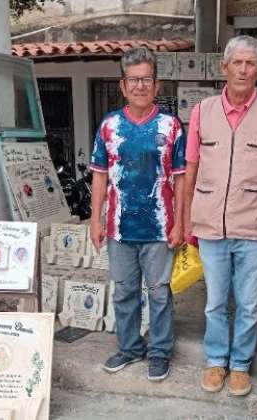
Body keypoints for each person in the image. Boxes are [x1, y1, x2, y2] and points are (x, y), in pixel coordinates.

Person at [183, 35, 257, 396]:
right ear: (224, 67)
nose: (244, 70)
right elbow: (191, 168)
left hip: (254, 226)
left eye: (251, 64)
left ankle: (241, 364)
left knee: (248, 303)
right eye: (237, 63)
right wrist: (186, 221)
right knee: (215, 302)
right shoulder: (202, 112)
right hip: (210, 226)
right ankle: (216, 361)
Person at [90, 47, 185, 382]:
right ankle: (130, 348)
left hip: (160, 228)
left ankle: (160, 351)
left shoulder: (171, 126)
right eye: (134, 80)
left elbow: (181, 178)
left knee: (159, 292)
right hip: (119, 228)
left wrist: (181, 223)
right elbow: (100, 175)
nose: (140, 85)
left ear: (156, 85)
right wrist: (95, 219)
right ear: (123, 85)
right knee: (124, 291)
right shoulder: (109, 125)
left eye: (146, 79)